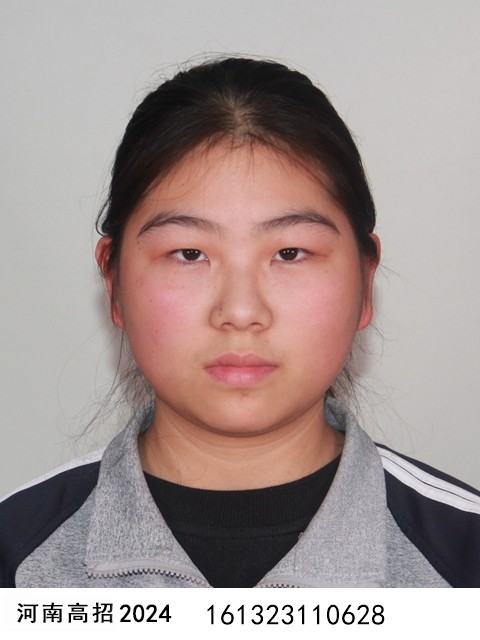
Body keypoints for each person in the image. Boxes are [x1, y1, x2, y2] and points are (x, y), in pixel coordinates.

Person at [1, 57, 479, 588]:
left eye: (290, 253)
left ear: (365, 282)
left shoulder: (464, 557)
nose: (241, 311)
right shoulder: (16, 557)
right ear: (113, 282)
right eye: (189, 254)